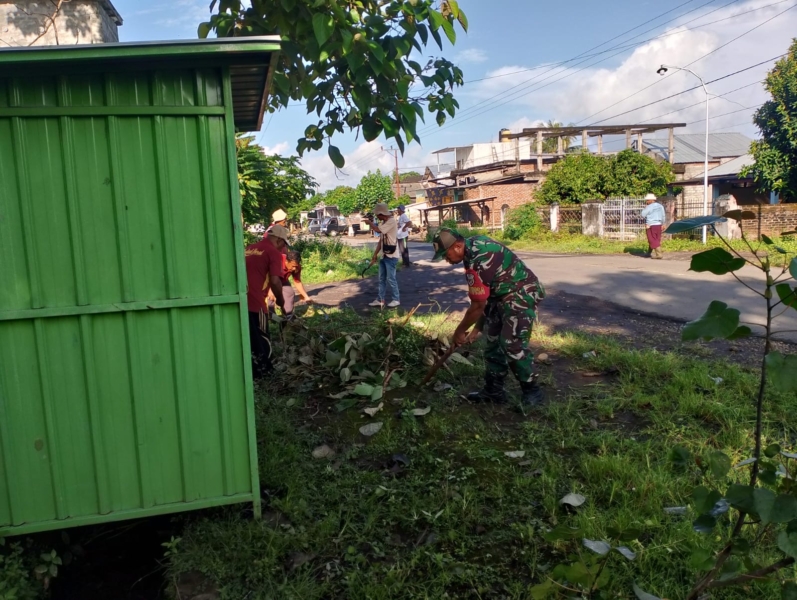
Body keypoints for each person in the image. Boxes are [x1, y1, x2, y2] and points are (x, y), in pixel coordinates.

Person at [432, 228, 545, 406]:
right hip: (499, 297)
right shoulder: (471, 249)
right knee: (493, 343)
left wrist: (459, 331)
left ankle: (532, 390)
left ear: (458, 246)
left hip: (521, 293)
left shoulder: (479, 258)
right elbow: (485, 297)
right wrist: (478, 328)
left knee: (511, 344)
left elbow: (477, 305)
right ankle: (494, 391)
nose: (446, 260)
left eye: (446, 254)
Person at [244, 225, 289, 378]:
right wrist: (281, 303)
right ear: (278, 239)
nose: (283, 247)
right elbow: (276, 282)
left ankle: (252, 371)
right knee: (263, 338)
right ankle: (265, 373)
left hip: (241, 301)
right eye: (284, 243)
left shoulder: (249, 248)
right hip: (256, 303)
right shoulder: (273, 253)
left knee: (249, 337)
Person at [368, 202, 401, 308]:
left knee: (391, 279)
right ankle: (380, 299)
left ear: (382, 214)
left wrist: (369, 223)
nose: (377, 217)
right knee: (382, 279)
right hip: (384, 255)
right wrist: (375, 254)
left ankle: (396, 299)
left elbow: (377, 230)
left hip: (391, 255)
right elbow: (381, 241)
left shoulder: (391, 222)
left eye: (377, 215)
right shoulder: (383, 222)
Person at [267, 250, 312, 315]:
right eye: (293, 266)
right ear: (286, 261)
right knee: (270, 297)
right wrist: (269, 290)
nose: (294, 268)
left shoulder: (297, 267)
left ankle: (288, 315)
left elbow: (297, 282)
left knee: (290, 292)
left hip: (283, 281)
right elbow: (267, 276)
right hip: (268, 280)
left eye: (296, 266)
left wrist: (306, 297)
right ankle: (271, 316)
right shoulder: (277, 261)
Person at [640, 193, 665, 259]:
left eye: (647, 200)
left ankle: (659, 254)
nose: (646, 201)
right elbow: (663, 216)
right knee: (656, 239)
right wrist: (663, 224)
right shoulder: (660, 206)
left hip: (650, 225)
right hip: (659, 225)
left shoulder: (649, 207)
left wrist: (645, 209)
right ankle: (649, 253)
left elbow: (643, 215)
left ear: (651, 200)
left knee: (651, 239)